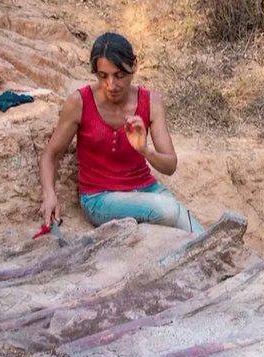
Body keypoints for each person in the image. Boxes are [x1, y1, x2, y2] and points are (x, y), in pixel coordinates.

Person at [38, 32, 203, 233]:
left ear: (134, 65)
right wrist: (49, 195)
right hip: (99, 198)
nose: (111, 85)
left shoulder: (152, 102)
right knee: (168, 210)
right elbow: (51, 154)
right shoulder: (79, 102)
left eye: (119, 75)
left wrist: (144, 150)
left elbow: (170, 166)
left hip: (147, 189)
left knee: (203, 236)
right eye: (103, 76)